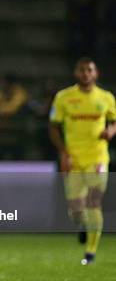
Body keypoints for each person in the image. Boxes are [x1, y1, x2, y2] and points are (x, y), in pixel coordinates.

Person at [49, 58, 115, 265]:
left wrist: (111, 131)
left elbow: (113, 121)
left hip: (97, 158)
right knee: (76, 210)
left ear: (96, 74)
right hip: (74, 159)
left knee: (94, 202)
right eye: (82, 70)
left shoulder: (106, 98)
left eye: (90, 70)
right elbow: (53, 126)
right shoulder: (64, 97)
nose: (86, 73)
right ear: (76, 73)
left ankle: (90, 253)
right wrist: (63, 153)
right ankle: (83, 225)